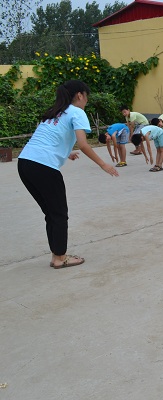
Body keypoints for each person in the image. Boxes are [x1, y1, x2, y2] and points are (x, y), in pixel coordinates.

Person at [18, 80, 118, 269]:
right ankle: (60, 258)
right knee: (58, 214)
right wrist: (103, 164)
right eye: (86, 96)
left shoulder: (55, 111)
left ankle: (56, 254)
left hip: (25, 163)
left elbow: (49, 138)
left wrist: (66, 153)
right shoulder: (77, 112)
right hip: (43, 166)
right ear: (80, 95)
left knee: (51, 213)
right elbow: (84, 144)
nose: (86, 100)